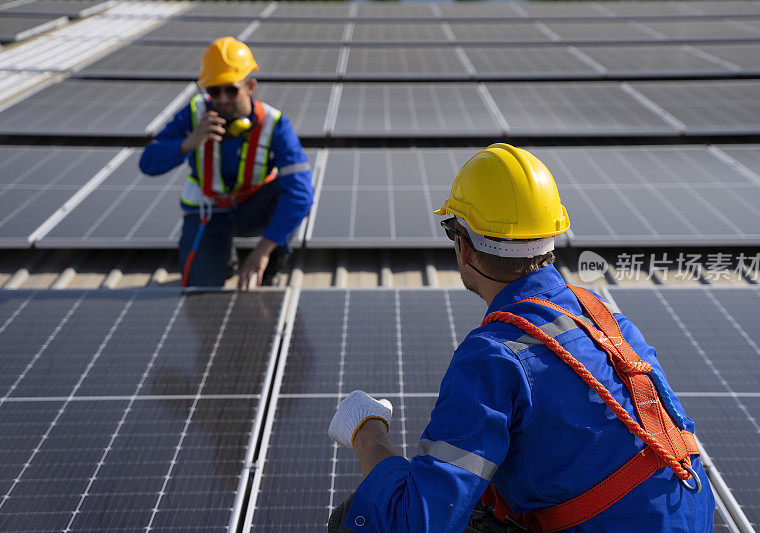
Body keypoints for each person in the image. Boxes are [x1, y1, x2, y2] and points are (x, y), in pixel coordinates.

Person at [327, 144, 715, 532]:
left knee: (362, 519)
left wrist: (368, 432)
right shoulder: (602, 315)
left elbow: (417, 523)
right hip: (690, 515)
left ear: (463, 248)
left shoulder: (492, 358)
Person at [139, 37, 313, 289]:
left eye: (231, 90)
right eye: (213, 90)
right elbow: (148, 163)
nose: (221, 99)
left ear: (250, 86)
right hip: (209, 210)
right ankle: (223, 254)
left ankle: (273, 261)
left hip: (255, 207)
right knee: (200, 291)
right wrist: (189, 141)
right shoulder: (193, 115)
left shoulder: (274, 124)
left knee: (292, 193)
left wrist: (262, 251)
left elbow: (301, 194)